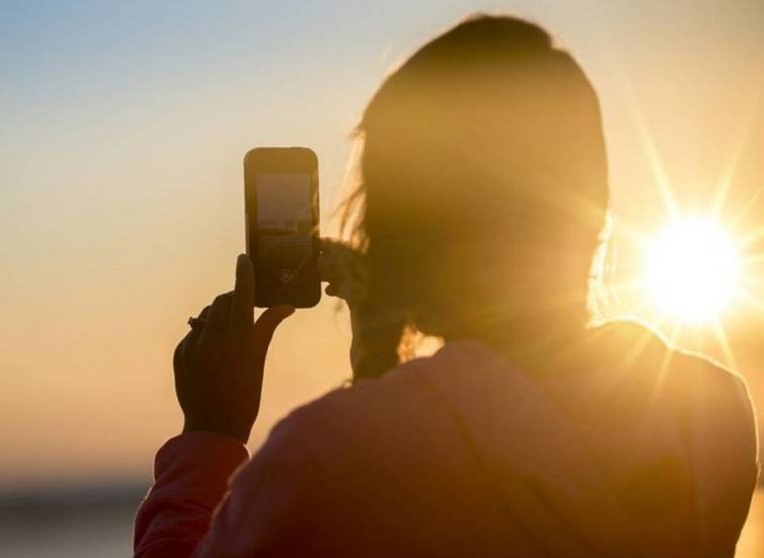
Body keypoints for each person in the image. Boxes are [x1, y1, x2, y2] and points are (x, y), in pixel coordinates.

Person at [134, 15, 758, 557]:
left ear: (397, 226)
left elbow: (399, 474)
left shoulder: (322, 456)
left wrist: (209, 435)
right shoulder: (711, 415)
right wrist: (378, 371)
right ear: (592, 205)